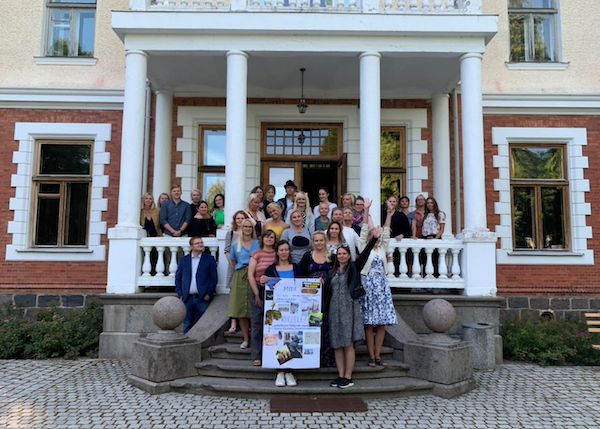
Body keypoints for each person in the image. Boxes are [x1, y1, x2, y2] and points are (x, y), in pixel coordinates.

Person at [327, 229, 379, 389]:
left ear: (349, 256)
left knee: (348, 344)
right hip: (334, 311)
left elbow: (363, 255)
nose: (342, 256)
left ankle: (348, 376)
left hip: (349, 309)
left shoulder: (353, 268)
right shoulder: (333, 271)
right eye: (339, 254)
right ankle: (340, 374)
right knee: (337, 344)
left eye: (344, 253)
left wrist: (374, 239)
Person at [359, 199, 398, 367]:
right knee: (368, 324)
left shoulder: (382, 249)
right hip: (368, 287)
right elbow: (363, 229)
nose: (379, 235)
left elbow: (387, 231)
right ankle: (371, 356)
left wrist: (389, 213)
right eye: (375, 233)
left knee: (381, 324)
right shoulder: (363, 247)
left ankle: (378, 355)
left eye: (379, 234)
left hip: (381, 288)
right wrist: (366, 210)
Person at [262, 240, 303, 387]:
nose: (284, 252)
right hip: (277, 312)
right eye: (281, 250)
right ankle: (280, 371)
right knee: (279, 340)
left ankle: (289, 371)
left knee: (290, 339)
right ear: (277, 252)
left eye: (286, 250)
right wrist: (264, 280)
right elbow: (266, 288)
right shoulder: (271, 269)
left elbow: (303, 286)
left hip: (293, 311)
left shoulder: (296, 268)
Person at [300, 231, 336, 368]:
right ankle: (310, 358)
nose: (319, 243)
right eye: (316, 241)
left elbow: (336, 274)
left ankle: (325, 359)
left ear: (325, 241)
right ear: (313, 242)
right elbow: (300, 275)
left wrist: (326, 280)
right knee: (311, 326)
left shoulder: (332, 257)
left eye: (321, 240)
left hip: (327, 297)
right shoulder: (307, 256)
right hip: (310, 299)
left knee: (325, 327)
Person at [175, 237, 218, 334]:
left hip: (202, 298)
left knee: (202, 326)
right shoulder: (184, 260)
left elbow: (213, 278)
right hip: (187, 298)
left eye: (201, 242)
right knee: (187, 325)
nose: (200, 244)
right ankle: (186, 347)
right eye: (197, 243)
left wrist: (208, 294)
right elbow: (178, 278)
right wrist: (180, 294)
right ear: (191, 246)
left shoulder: (209, 259)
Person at [228, 219, 259, 349]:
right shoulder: (236, 244)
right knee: (241, 308)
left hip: (255, 275)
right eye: (245, 226)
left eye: (249, 227)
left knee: (254, 307)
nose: (247, 229)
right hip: (241, 276)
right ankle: (246, 339)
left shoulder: (258, 243)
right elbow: (233, 261)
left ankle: (256, 340)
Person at [248, 230, 277, 367]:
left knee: (273, 324)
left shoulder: (278, 254)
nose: (269, 239)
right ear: (262, 239)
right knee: (257, 324)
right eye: (267, 236)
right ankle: (257, 355)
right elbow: (250, 274)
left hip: (276, 292)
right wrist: (256, 293)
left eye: (272, 237)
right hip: (259, 289)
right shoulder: (257, 254)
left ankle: (271, 353)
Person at [224, 210, 250, 333]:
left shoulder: (249, 233)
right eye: (237, 218)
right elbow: (227, 250)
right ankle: (233, 322)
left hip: (247, 268)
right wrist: (234, 264)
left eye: (242, 218)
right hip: (234, 266)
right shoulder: (230, 234)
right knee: (233, 294)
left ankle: (246, 321)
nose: (239, 220)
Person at [422, 197, 446, 278]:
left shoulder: (440, 214)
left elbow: (442, 229)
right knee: (426, 260)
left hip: (435, 237)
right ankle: (425, 280)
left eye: (431, 202)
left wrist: (435, 240)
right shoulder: (425, 215)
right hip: (425, 238)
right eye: (428, 203)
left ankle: (435, 278)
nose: (429, 204)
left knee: (435, 260)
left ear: (434, 204)